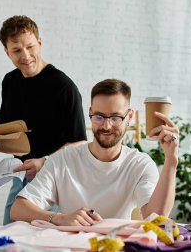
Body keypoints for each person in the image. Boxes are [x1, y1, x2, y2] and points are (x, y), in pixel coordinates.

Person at [11, 79, 180, 226]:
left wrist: (171, 160)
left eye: (115, 117)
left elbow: (156, 217)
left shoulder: (140, 164)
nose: (106, 126)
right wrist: (59, 218)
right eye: (99, 116)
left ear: (129, 117)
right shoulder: (63, 159)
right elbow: (18, 209)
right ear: (90, 113)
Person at [0, 15, 87, 224]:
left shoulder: (64, 87)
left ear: (39, 42)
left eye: (30, 47)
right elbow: (9, 128)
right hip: (19, 176)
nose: (25, 55)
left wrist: (44, 162)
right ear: (6, 51)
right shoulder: (10, 81)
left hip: (53, 180)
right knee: (9, 238)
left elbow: (79, 142)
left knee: (42, 242)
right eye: (17, 50)